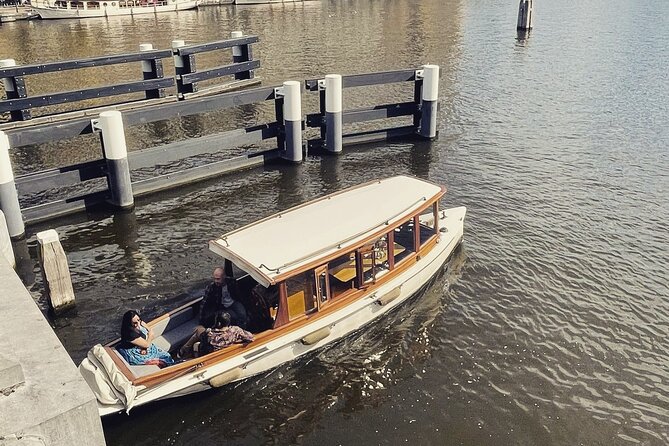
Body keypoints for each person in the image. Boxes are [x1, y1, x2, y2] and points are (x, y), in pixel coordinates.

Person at [178, 267, 248, 358]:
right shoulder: (235, 330)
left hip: (232, 303)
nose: (216, 281)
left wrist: (201, 326)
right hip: (221, 306)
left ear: (224, 277)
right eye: (214, 278)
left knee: (242, 313)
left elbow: (239, 294)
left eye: (218, 279)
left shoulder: (210, 334)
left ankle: (183, 351)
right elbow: (204, 304)